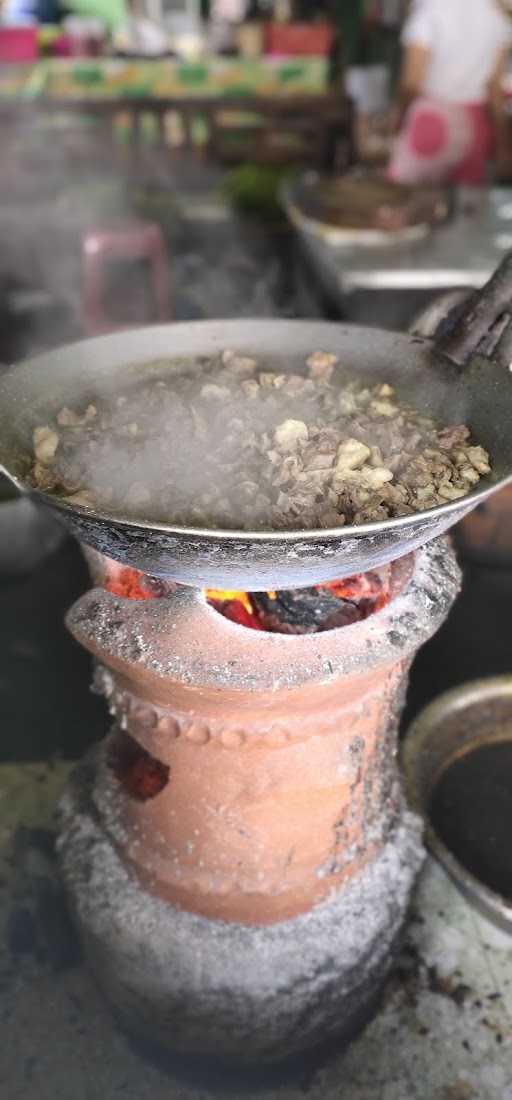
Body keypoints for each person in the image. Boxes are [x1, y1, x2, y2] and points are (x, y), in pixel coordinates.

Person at [388, 0, 512, 186]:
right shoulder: (497, 15)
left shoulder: (429, 9)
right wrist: (503, 143)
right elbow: (494, 88)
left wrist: (398, 121)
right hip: (475, 127)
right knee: (466, 208)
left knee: (408, 204)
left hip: (431, 120)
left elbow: (412, 82)